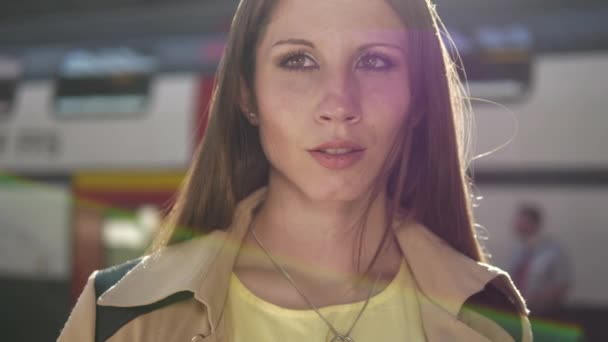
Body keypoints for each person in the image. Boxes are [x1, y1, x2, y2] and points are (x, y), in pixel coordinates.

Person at [59, 0, 532, 341]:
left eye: (374, 61)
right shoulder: (118, 315)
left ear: (418, 99)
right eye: (298, 61)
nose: (339, 106)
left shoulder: (488, 318)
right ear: (247, 96)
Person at [509, 203, 572, 316]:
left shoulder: (553, 252)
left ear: (535, 224)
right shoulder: (518, 251)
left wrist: (538, 301)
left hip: (543, 312)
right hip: (518, 310)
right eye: (518, 221)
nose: (518, 225)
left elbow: (562, 284)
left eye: (523, 222)